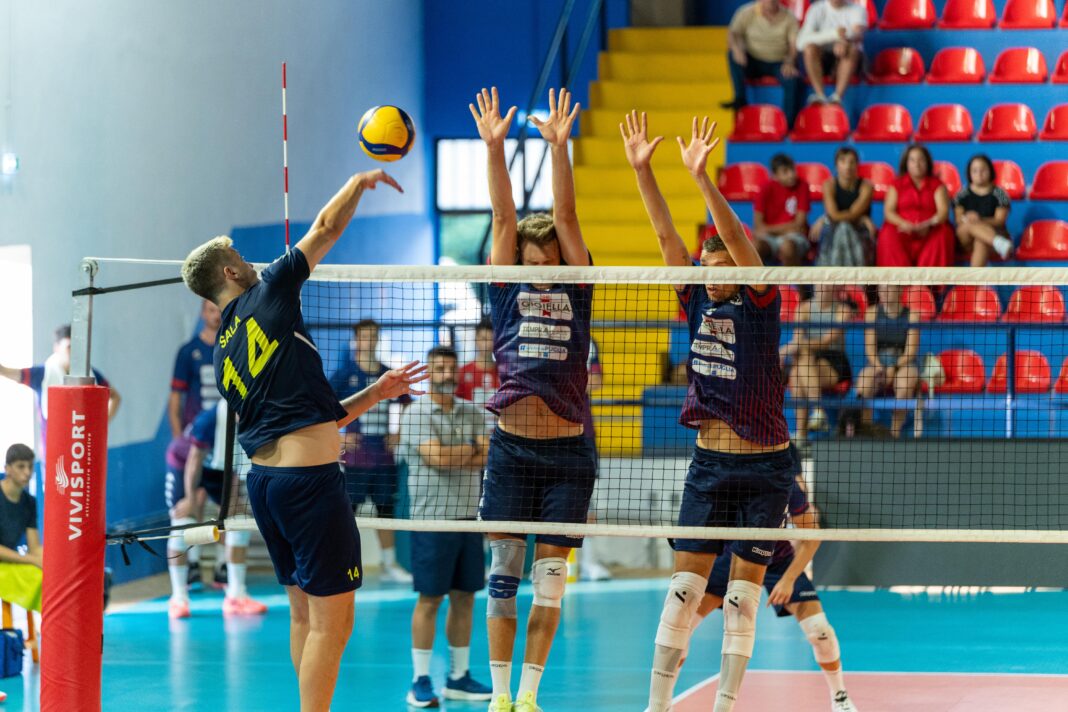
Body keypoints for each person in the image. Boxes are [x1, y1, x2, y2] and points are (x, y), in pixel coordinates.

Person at [179, 168, 428, 712]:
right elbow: (326, 227)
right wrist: (358, 182)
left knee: (303, 616)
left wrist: (377, 392)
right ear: (230, 271)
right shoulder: (269, 293)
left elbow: (311, 419)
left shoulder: (223, 353)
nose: (249, 259)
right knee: (333, 626)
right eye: (239, 255)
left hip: (268, 485)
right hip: (310, 485)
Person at [621, 111, 795, 712]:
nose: (710, 276)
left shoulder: (760, 304)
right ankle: (655, 706)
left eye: (721, 269)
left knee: (741, 602)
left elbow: (740, 244)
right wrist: (643, 171)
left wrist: (701, 178)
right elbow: (665, 234)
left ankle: (724, 705)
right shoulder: (694, 298)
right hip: (709, 466)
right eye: (705, 267)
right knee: (682, 593)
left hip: (766, 469)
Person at [471, 86, 595, 712]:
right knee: (502, 579)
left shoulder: (578, 288)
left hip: (568, 458)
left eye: (548, 260)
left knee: (550, 584)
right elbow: (502, 218)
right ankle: (499, 696)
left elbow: (566, 216)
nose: (540, 268)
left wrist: (559, 148)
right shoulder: (505, 290)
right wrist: (495, 149)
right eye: (530, 260)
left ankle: (528, 694)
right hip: (511, 453)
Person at [683, 463, 860, 712]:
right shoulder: (725, 479)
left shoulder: (784, 481)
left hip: (778, 561)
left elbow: (812, 535)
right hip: (732, 559)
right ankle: (661, 703)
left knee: (820, 631)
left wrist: (788, 580)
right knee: (682, 624)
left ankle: (840, 697)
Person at [400, 345, 493, 708]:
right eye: (438, 368)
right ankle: (420, 680)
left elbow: (487, 456)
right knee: (430, 599)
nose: (446, 373)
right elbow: (436, 458)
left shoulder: (473, 412)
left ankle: (458, 677)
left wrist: (457, 453)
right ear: (429, 373)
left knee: (465, 597)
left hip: (468, 519)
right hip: (431, 519)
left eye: (450, 368)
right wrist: (468, 449)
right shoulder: (416, 413)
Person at [164, 399, 268, 619]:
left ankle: (236, 596)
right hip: (184, 464)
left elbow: (235, 463)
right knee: (183, 523)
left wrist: (233, 501)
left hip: (217, 469)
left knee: (238, 521)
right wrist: (191, 499)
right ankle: (178, 598)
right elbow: (194, 460)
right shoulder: (209, 421)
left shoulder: (253, 421)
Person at [328, 319, 413, 584]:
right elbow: (323, 408)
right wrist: (339, 438)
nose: (370, 340)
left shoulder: (387, 374)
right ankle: (341, 564)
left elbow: (408, 404)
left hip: (383, 458)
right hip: (355, 458)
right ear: (356, 340)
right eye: (365, 336)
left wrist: (399, 432)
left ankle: (389, 564)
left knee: (385, 510)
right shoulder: (344, 374)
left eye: (374, 335)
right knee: (347, 513)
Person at [781, 285, 853, 446]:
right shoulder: (803, 309)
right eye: (820, 284)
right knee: (798, 369)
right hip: (808, 361)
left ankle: (802, 433)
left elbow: (826, 341)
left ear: (834, 288)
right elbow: (798, 340)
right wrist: (794, 347)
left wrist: (785, 350)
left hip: (835, 361)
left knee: (799, 364)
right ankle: (818, 413)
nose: (823, 288)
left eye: (826, 285)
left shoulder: (843, 310)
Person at [855, 284, 921, 439]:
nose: (883, 292)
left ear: (900, 290)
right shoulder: (871, 313)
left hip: (903, 362)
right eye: (881, 289)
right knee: (863, 385)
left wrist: (894, 367)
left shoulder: (912, 315)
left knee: (904, 385)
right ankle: (866, 431)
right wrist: (880, 367)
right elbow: (870, 349)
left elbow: (910, 351)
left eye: (888, 289)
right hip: (878, 361)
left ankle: (894, 435)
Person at [722, 0, 802, 127]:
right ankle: (740, 98)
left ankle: (787, 124)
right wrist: (737, 49)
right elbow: (733, 33)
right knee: (732, 56)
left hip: (778, 63)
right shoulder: (746, 12)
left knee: (792, 78)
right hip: (753, 61)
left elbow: (794, 45)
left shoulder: (789, 17)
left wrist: (790, 61)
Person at [876, 145, 955, 268]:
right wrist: (904, 224)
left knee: (943, 233)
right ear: (906, 163)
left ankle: (930, 279)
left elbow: (943, 213)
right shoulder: (896, 185)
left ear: (927, 162)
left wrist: (928, 225)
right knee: (887, 234)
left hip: (930, 231)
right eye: (912, 160)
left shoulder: (938, 185)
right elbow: (889, 212)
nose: (917, 164)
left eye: (921, 160)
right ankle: (897, 278)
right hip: (902, 230)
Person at [169, 299, 223, 437]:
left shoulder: (235, 349)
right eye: (211, 310)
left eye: (220, 310)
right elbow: (176, 396)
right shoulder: (188, 351)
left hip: (227, 429)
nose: (216, 315)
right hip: (196, 431)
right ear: (203, 313)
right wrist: (178, 438)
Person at [796, 0, 867, 105]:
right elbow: (801, 42)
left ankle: (837, 97)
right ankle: (820, 95)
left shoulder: (857, 9)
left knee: (852, 48)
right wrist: (835, 35)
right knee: (809, 49)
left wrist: (845, 41)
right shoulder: (816, 9)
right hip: (823, 59)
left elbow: (858, 34)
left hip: (848, 59)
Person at [814, 147, 875, 266]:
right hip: (834, 231)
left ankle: (837, 275)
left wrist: (826, 218)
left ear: (857, 165)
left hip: (859, 232)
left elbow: (850, 214)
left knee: (844, 228)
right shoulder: (829, 185)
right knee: (842, 228)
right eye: (843, 161)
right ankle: (847, 276)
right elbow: (836, 215)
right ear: (836, 164)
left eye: (852, 162)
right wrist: (861, 218)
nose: (848, 166)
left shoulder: (866, 186)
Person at [0, 444, 42, 616]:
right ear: (7, 469)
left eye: (30, 466)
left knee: (46, 576)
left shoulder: (29, 502)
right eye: (21, 466)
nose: (27, 472)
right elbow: (32, 557)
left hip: (8, 563)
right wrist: (31, 560)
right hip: (6, 562)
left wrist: (54, 562)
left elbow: (35, 548)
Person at [954, 154, 1013, 267]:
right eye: (975, 171)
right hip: (966, 238)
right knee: (968, 224)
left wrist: (979, 219)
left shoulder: (1000, 194)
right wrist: (969, 219)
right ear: (969, 173)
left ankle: (973, 279)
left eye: (983, 170)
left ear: (990, 171)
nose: (979, 174)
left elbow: (1000, 221)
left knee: (981, 241)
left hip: (992, 233)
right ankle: (997, 242)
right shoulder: (961, 194)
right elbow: (958, 220)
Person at [753, 153, 811, 266]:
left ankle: (794, 278)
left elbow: (799, 224)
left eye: (792, 170)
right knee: (756, 246)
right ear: (775, 176)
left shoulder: (802, 186)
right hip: (770, 238)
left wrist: (769, 229)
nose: (791, 175)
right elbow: (758, 226)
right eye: (785, 172)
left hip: (795, 238)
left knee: (787, 247)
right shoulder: (765, 189)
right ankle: (760, 279)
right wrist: (787, 228)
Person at [456, 318, 500, 409]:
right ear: (476, 339)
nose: (488, 344)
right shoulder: (462, 372)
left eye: (492, 339)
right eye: (484, 339)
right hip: (469, 418)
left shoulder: (504, 373)